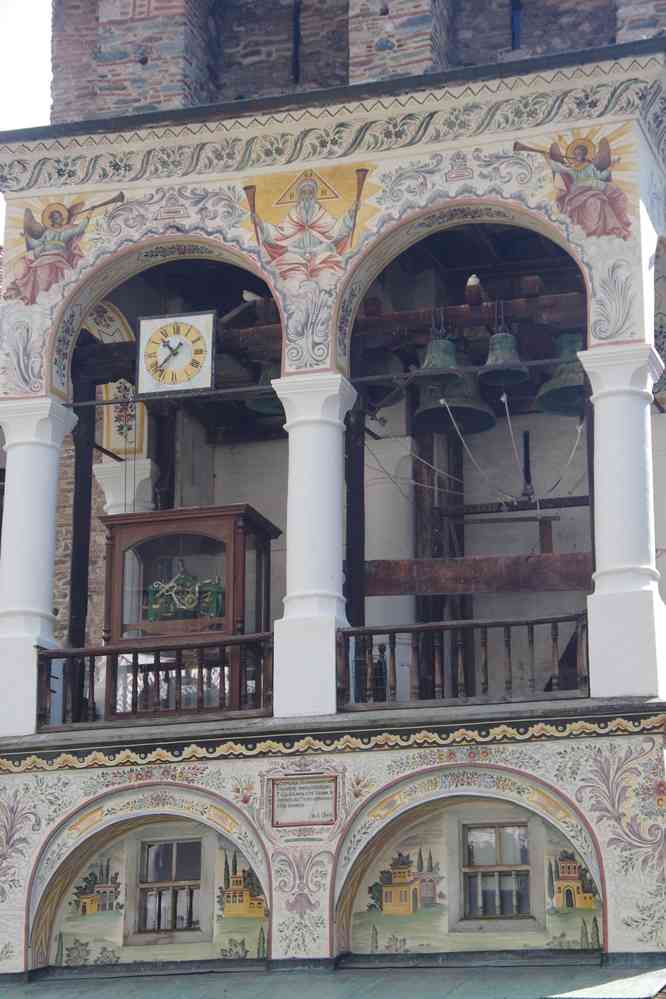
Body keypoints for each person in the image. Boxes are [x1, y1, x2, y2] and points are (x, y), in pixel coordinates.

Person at [255, 177, 356, 281]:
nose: (307, 196)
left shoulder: (321, 214)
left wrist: (350, 215)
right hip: (295, 256)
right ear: (300, 195)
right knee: (283, 271)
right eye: (304, 192)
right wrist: (262, 226)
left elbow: (335, 231)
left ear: (314, 194)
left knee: (330, 272)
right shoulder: (293, 215)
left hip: (321, 254)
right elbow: (280, 234)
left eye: (310, 192)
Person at [7, 203, 90, 305]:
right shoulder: (48, 232)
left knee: (51, 277)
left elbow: (79, 229)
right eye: (55, 218)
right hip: (44, 256)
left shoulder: (66, 231)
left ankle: (50, 296)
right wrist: (27, 236)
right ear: (51, 220)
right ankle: (40, 297)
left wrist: (88, 215)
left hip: (58, 256)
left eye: (59, 217)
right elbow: (37, 243)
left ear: (62, 218)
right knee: (39, 275)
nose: (57, 219)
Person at [548, 142, 631, 240]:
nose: (576, 155)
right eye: (575, 153)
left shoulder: (590, 166)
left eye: (579, 153)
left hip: (595, 187)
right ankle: (613, 229)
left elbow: (600, 176)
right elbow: (559, 168)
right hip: (580, 191)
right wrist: (547, 158)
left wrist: (611, 166)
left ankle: (618, 225)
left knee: (617, 195)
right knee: (598, 202)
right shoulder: (572, 168)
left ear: (584, 155)